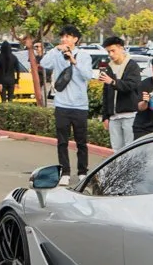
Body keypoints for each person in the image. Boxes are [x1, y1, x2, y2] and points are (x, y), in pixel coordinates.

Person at [41, 24, 91, 180]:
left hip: (80, 105)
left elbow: (87, 75)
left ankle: (82, 172)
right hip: (62, 105)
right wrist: (55, 50)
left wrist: (73, 60)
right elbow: (43, 63)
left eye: (68, 36)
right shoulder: (56, 54)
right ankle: (65, 172)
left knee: (81, 141)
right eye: (62, 36)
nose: (64, 39)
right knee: (62, 141)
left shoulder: (84, 56)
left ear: (75, 39)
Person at [99, 34, 145, 153]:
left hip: (129, 114)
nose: (111, 54)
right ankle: (118, 171)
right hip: (113, 116)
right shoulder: (109, 67)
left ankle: (130, 172)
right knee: (116, 150)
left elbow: (131, 85)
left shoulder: (132, 66)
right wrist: (105, 116)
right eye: (108, 52)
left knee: (130, 148)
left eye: (113, 51)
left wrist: (113, 82)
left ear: (121, 48)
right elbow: (106, 92)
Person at [0, 40, 20, 105]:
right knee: (11, 99)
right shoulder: (14, 57)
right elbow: (17, 70)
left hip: (2, 81)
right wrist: (17, 81)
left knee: (3, 100)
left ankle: (3, 112)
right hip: (11, 80)